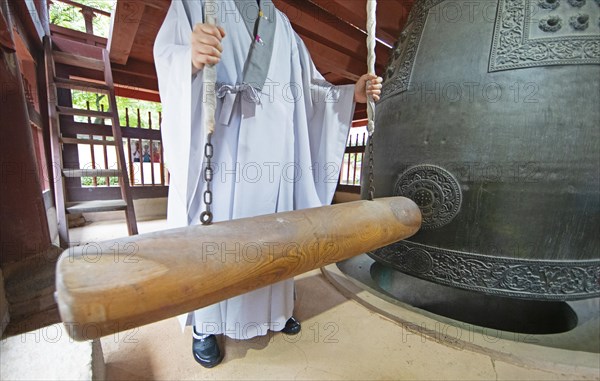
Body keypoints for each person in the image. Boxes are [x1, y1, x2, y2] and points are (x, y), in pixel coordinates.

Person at [154, 0, 382, 368]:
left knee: (274, 228)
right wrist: (189, 59)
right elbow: (167, 55)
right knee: (216, 233)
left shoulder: (284, 27)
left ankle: (274, 312)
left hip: (275, 146)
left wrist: (349, 95)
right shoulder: (197, 3)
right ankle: (206, 324)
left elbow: (309, 89)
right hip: (222, 142)